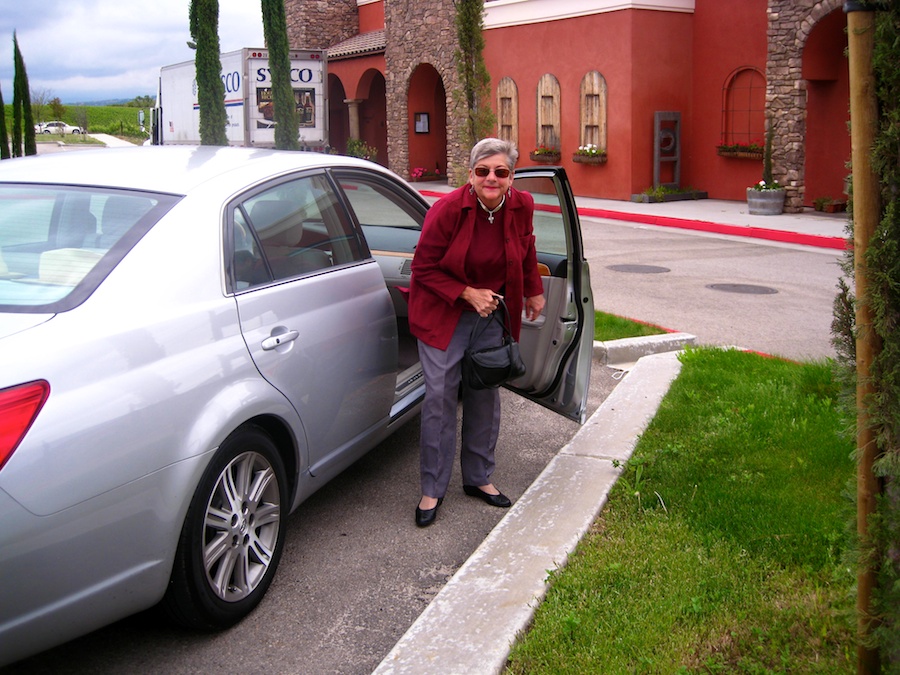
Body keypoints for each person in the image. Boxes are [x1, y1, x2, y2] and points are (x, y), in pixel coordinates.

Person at [407, 137, 546, 527]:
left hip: (492, 313)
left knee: (486, 393)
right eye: (483, 171)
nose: (491, 178)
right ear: (470, 175)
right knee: (440, 396)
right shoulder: (447, 211)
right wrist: (466, 293)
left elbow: (527, 249)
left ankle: (479, 478)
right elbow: (424, 268)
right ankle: (432, 488)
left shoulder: (522, 205)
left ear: (511, 177)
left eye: (500, 172)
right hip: (444, 312)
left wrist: (533, 288)